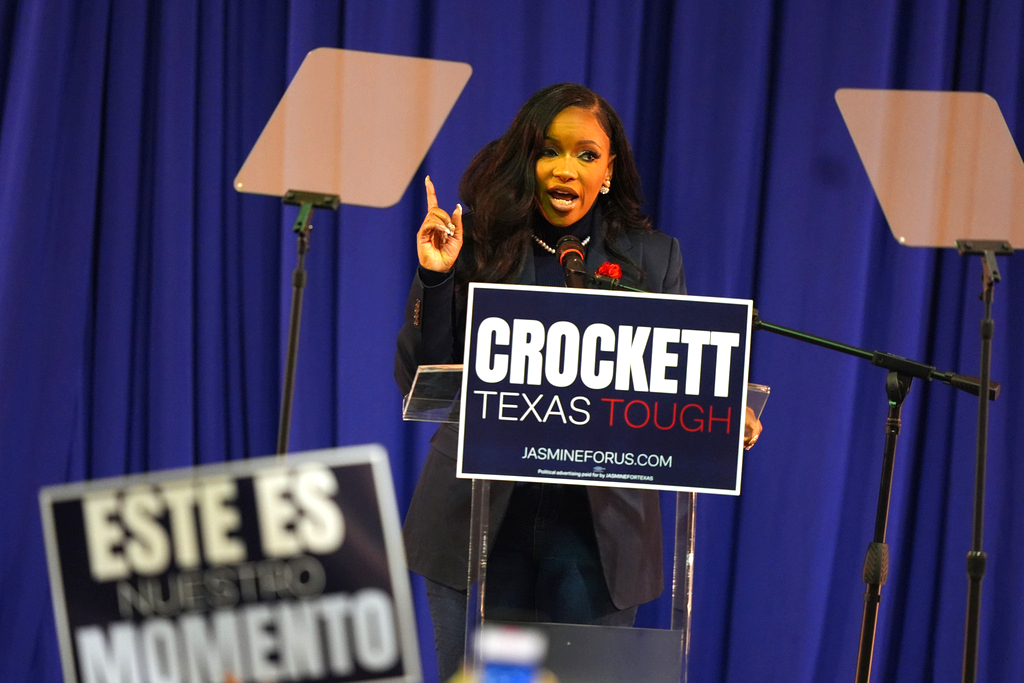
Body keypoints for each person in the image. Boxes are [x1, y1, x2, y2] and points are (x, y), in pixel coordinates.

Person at [394, 83, 762, 681]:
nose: (567, 168)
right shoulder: (477, 246)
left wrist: (723, 411)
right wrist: (437, 278)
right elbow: (420, 379)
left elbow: (678, 374)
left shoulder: (652, 259)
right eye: (549, 151)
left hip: (598, 539)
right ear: (527, 161)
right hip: (478, 527)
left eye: (587, 154)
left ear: (610, 171)